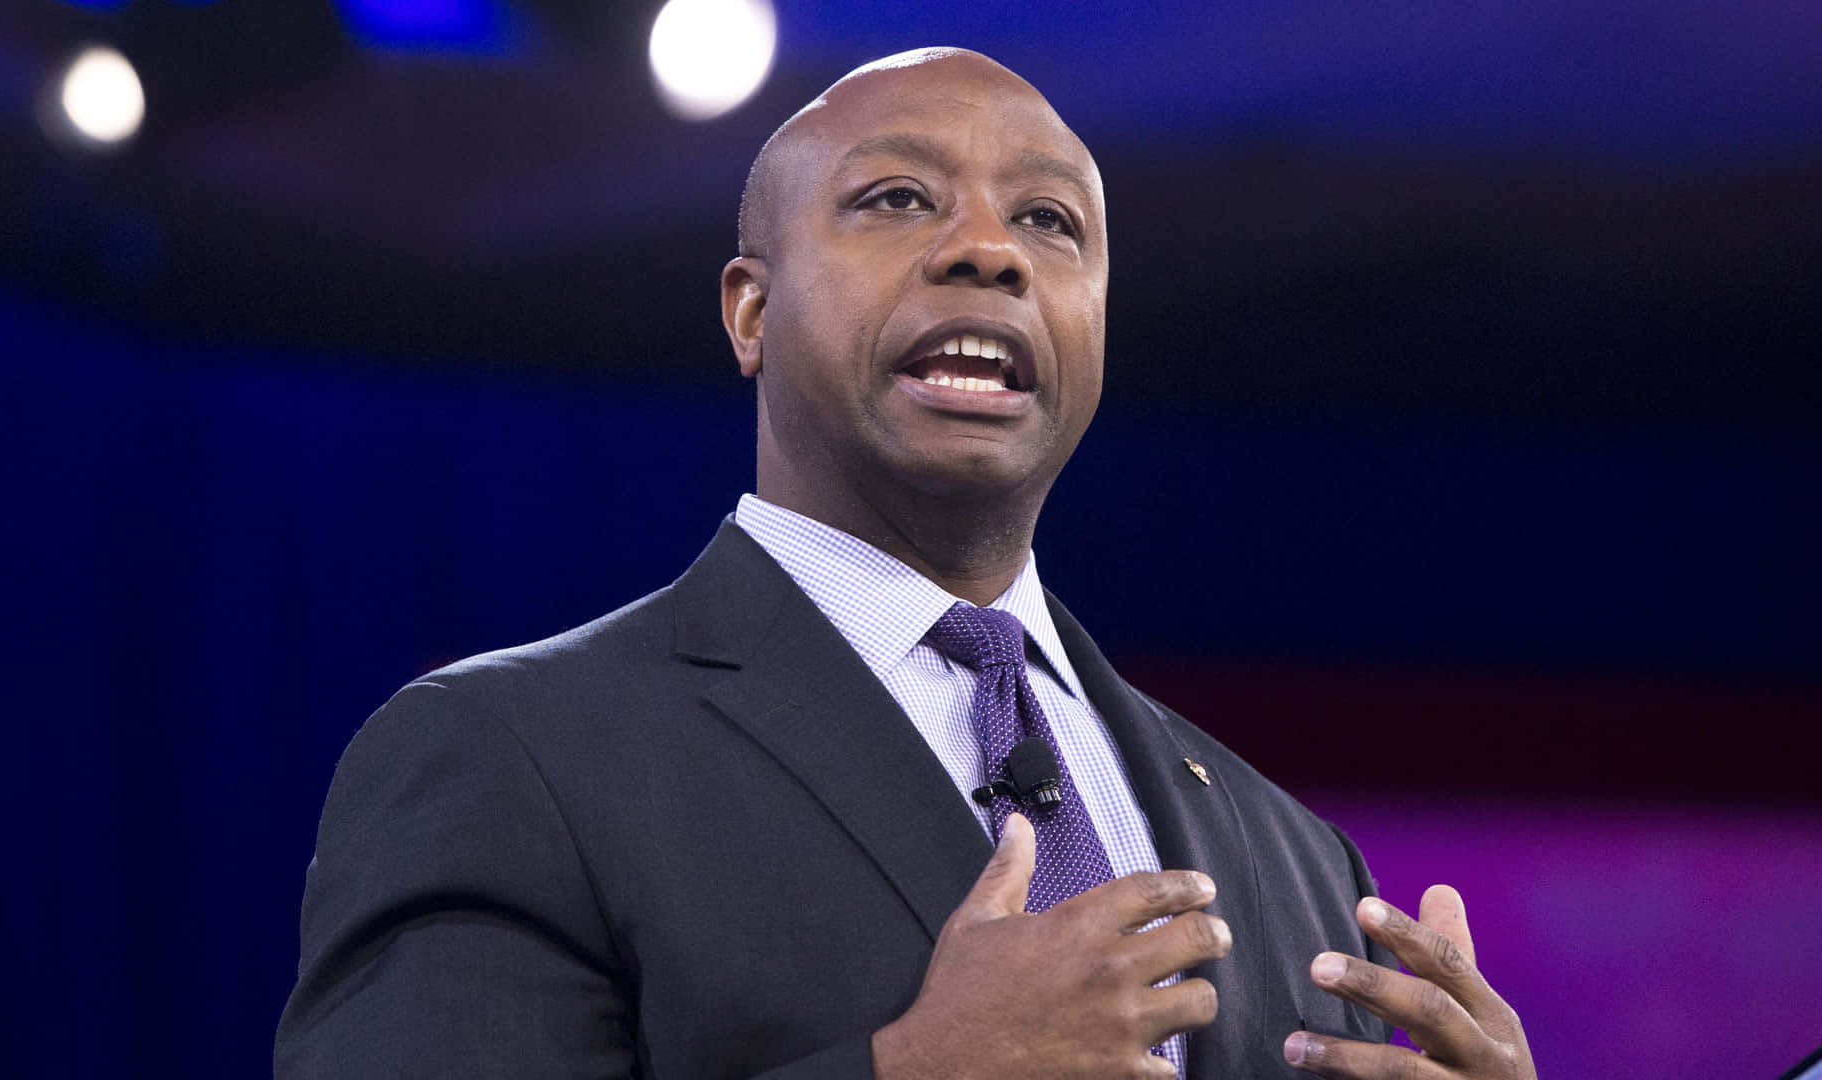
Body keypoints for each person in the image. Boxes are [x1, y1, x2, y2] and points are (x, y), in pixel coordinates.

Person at [275, 48, 1536, 1080]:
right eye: (898, 199)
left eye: (1049, 222)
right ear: (750, 311)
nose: (991, 252)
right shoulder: (508, 753)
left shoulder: (1298, 855)